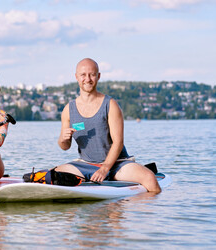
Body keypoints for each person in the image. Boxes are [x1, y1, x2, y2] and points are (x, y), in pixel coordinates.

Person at [56, 58, 161, 192]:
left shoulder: (110, 105)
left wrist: (105, 168)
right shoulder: (68, 110)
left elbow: (118, 142)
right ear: (76, 77)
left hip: (117, 164)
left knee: (150, 179)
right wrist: (62, 139)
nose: (87, 79)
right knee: (52, 175)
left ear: (98, 76)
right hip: (85, 165)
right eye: (83, 75)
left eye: (92, 74)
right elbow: (65, 146)